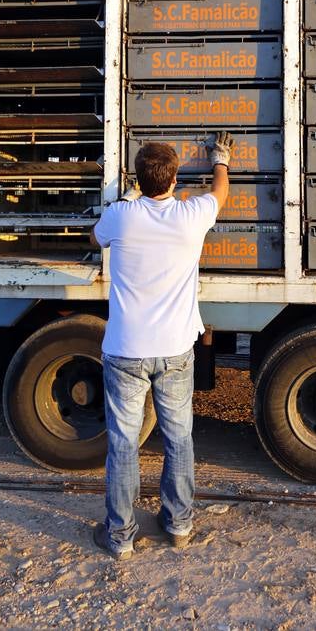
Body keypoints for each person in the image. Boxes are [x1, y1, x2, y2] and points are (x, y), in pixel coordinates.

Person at [89, 131, 233, 559]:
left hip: (125, 350)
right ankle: (179, 524)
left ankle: (120, 537)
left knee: (122, 443)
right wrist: (220, 158)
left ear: (139, 180)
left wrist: (130, 198)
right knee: (178, 437)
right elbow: (219, 192)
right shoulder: (192, 215)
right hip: (174, 350)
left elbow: (95, 239)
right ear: (173, 182)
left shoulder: (122, 215)